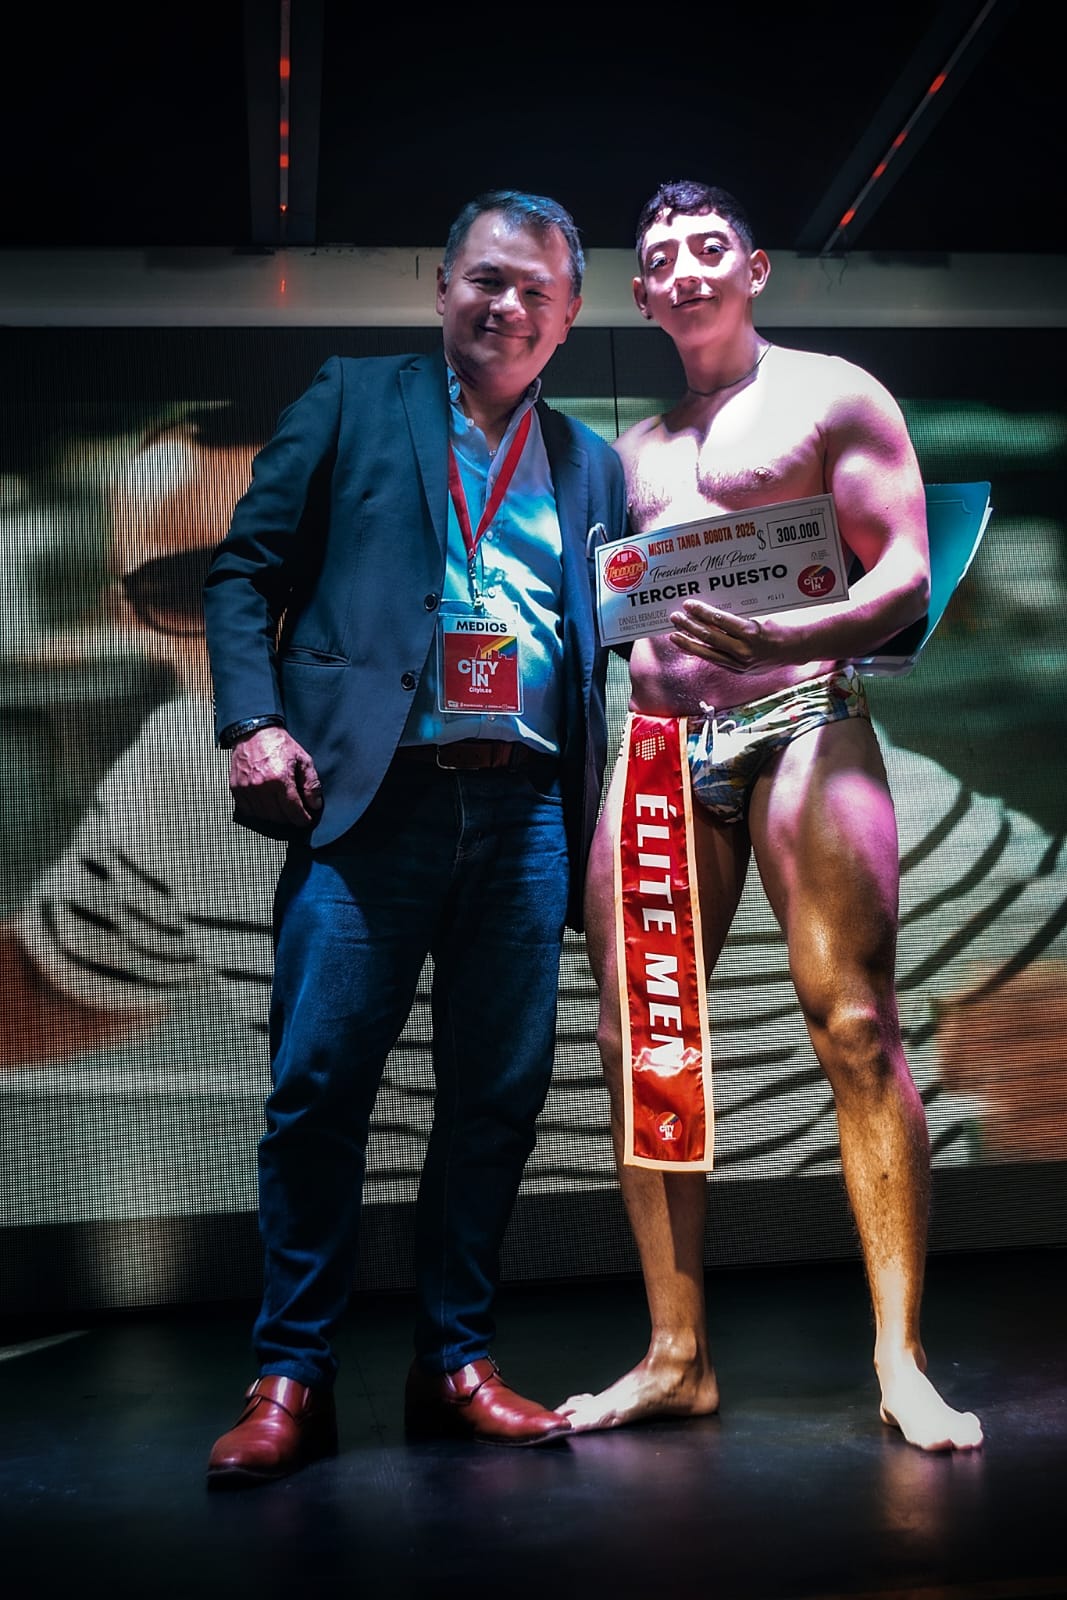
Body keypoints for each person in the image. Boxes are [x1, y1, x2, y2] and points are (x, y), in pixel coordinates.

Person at [200, 189, 628, 1485]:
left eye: (534, 291)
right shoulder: (350, 397)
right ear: (443, 288)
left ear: (566, 318)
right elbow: (244, 573)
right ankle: (289, 1372)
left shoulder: (591, 464)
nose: (506, 304)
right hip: (369, 799)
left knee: (494, 1100)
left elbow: (610, 644)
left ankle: (455, 1361)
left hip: (525, 812)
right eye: (484, 279)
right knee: (317, 1091)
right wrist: (252, 722)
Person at [558, 179, 983, 1452]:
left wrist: (787, 635)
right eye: (659, 258)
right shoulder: (625, 452)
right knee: (641, 1040)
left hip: (800, 715)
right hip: (658, 748)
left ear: (751, 268)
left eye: (708, 247)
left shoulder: (829, 393)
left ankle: (899, 1360)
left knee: (852, 1021)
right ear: (640, 296)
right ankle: (675, 1355)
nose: (684, 268)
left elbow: (903, 572)